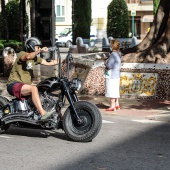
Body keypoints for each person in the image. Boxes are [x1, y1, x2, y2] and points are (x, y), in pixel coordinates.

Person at [6, 37, 60, 120]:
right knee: (34, 89)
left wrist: (63, 61)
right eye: (37, 47)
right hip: (14, 84)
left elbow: (49, 62)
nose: (39, 48)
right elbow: (27, 57)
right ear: (31, 46)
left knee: (43, 92)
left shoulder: (35, 59)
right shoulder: (22, 54)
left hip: (24, 86)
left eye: (39, 47)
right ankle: (43, 113)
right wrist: (40, 51)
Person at [104, 39, 122, 111]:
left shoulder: (113, 54)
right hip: (117, 74)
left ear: (112, 45)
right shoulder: (119, 54)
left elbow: (109, 65)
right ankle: (117, 104)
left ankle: (112, 105)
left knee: (111, 89)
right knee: (115, 89)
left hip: (111, 74)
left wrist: (106, 63)